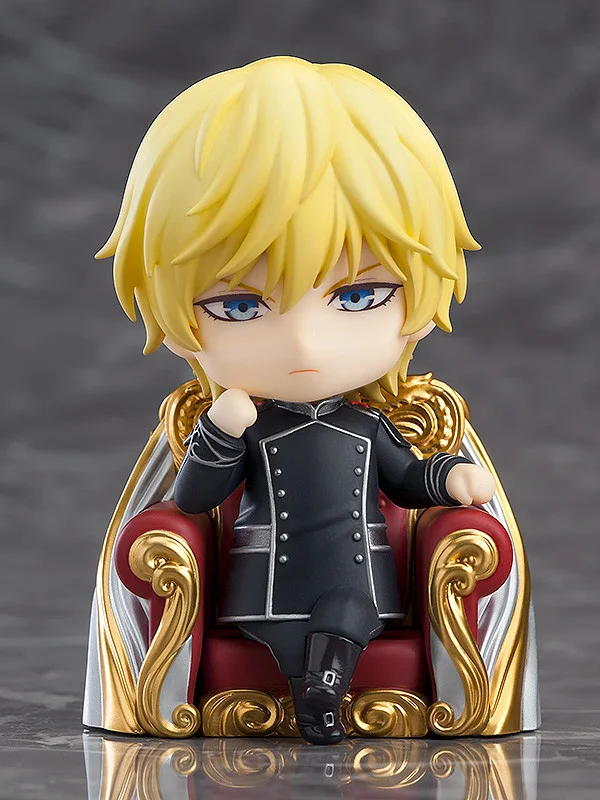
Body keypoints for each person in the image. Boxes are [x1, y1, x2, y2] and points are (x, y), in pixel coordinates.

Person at [95, 56, 495, 744]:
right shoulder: (252, 427)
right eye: (240, 306)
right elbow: (194, 498)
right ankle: (318, 686)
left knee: (350, 609)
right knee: (325, 619)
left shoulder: (367, 426)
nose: (305, 344)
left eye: (359, 296)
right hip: (266, 587)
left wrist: (449, 476)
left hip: (358, 580)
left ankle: (322, 691)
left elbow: (405, 478)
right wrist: (219, 433)